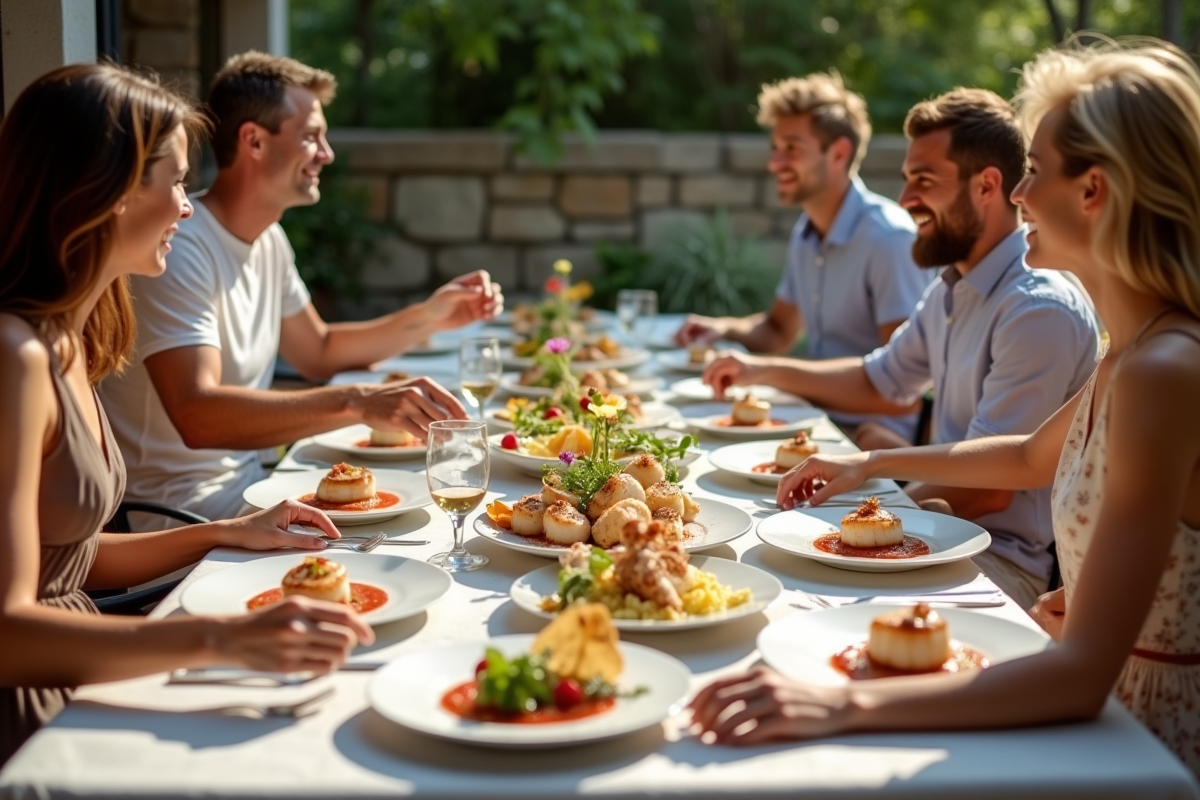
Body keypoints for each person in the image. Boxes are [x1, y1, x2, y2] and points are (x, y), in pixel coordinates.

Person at [691, 40, 1200, 777]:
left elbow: (1083, 676)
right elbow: (1026, 457)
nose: (1020, 195)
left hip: (1147, 744)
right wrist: (869, 462)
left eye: (1036, 172)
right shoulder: (1133, 353)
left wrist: (841, 706)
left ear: (1094, 191)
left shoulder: (1163, 367)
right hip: (1104, 699)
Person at [0, 64, 373, 763]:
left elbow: (70, 559)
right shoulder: (15, 357)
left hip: (87, 662)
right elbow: (8, 633)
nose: (185, 207)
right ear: (108, 193)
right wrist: (221, 640)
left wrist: (229, 533)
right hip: (36, 717)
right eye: (173, 182)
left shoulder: (74, 339)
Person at [702, 88, 1100, 611]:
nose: (906, 198)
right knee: (761, 562)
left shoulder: (1037, 308)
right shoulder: (953, 286)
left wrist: (861, 514)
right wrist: (760, 370)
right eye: (908, 178)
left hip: (996, 564)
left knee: (780, 582)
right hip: (934, 527)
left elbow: (990, 490)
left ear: (986, 186)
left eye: (924, 181)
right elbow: (880, 380)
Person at [99, 52, 502, 522]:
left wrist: (430, 316)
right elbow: (197, 415)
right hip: (183, 514)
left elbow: (318, 351)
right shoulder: (179, 246)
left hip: (252, 489)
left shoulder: (268, 238)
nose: (327, 154)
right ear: (253, 140)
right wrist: (357, 402)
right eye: (311, 136)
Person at [674, 71, 932, 442]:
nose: (775, 163)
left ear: (838, 153)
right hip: (810, 419)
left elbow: (902, 393)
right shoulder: (806, 231)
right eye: (775, 148)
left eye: (791, 149)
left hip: (867, 440)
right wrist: (723, 328)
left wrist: (767, 371)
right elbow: (779, 331)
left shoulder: (890, 239)